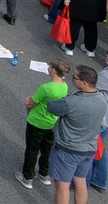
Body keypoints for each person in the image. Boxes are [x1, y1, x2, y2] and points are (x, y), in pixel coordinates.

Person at [47, 65, 108, 204]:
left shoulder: (73, 102)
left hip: (69, 150)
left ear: (84, 83)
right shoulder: (101, 99)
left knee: (62, 186)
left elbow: (52, 106)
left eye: (75, 78)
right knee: (80, 182)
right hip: (89, 149)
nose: (72, 80)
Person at [17, 58, 72, 189]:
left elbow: (32, 102)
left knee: (32, 149)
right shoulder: (64, 86)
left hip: (37, 122)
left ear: (53, 70)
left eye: (49, 66)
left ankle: (27, 177)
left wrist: (27, 105)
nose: (48, 68)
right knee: (47, 150)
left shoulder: (46, 88)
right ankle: (44, 174)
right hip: (52, 123)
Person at [88, 51, 108, 193]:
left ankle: (82, 182)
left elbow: (90, 87)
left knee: (88, 149)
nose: (107, 57)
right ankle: (99, 180)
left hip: (101, 117)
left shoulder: (106, 76)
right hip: (106, 118)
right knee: (98, 146)